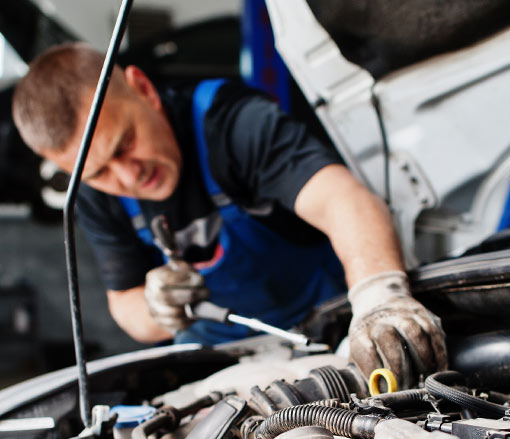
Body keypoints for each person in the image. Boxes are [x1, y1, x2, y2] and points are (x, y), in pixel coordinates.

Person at [12, 42, 447, 388]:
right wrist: (156, 305)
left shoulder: (230, 123)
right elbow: (124, 304)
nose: (127, 174)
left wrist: (378, 300)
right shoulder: (93, 194)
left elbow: (345, 201)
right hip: (216, 361)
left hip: (325, 333)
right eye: (99, 171)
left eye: (124, 143)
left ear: (144, 90)